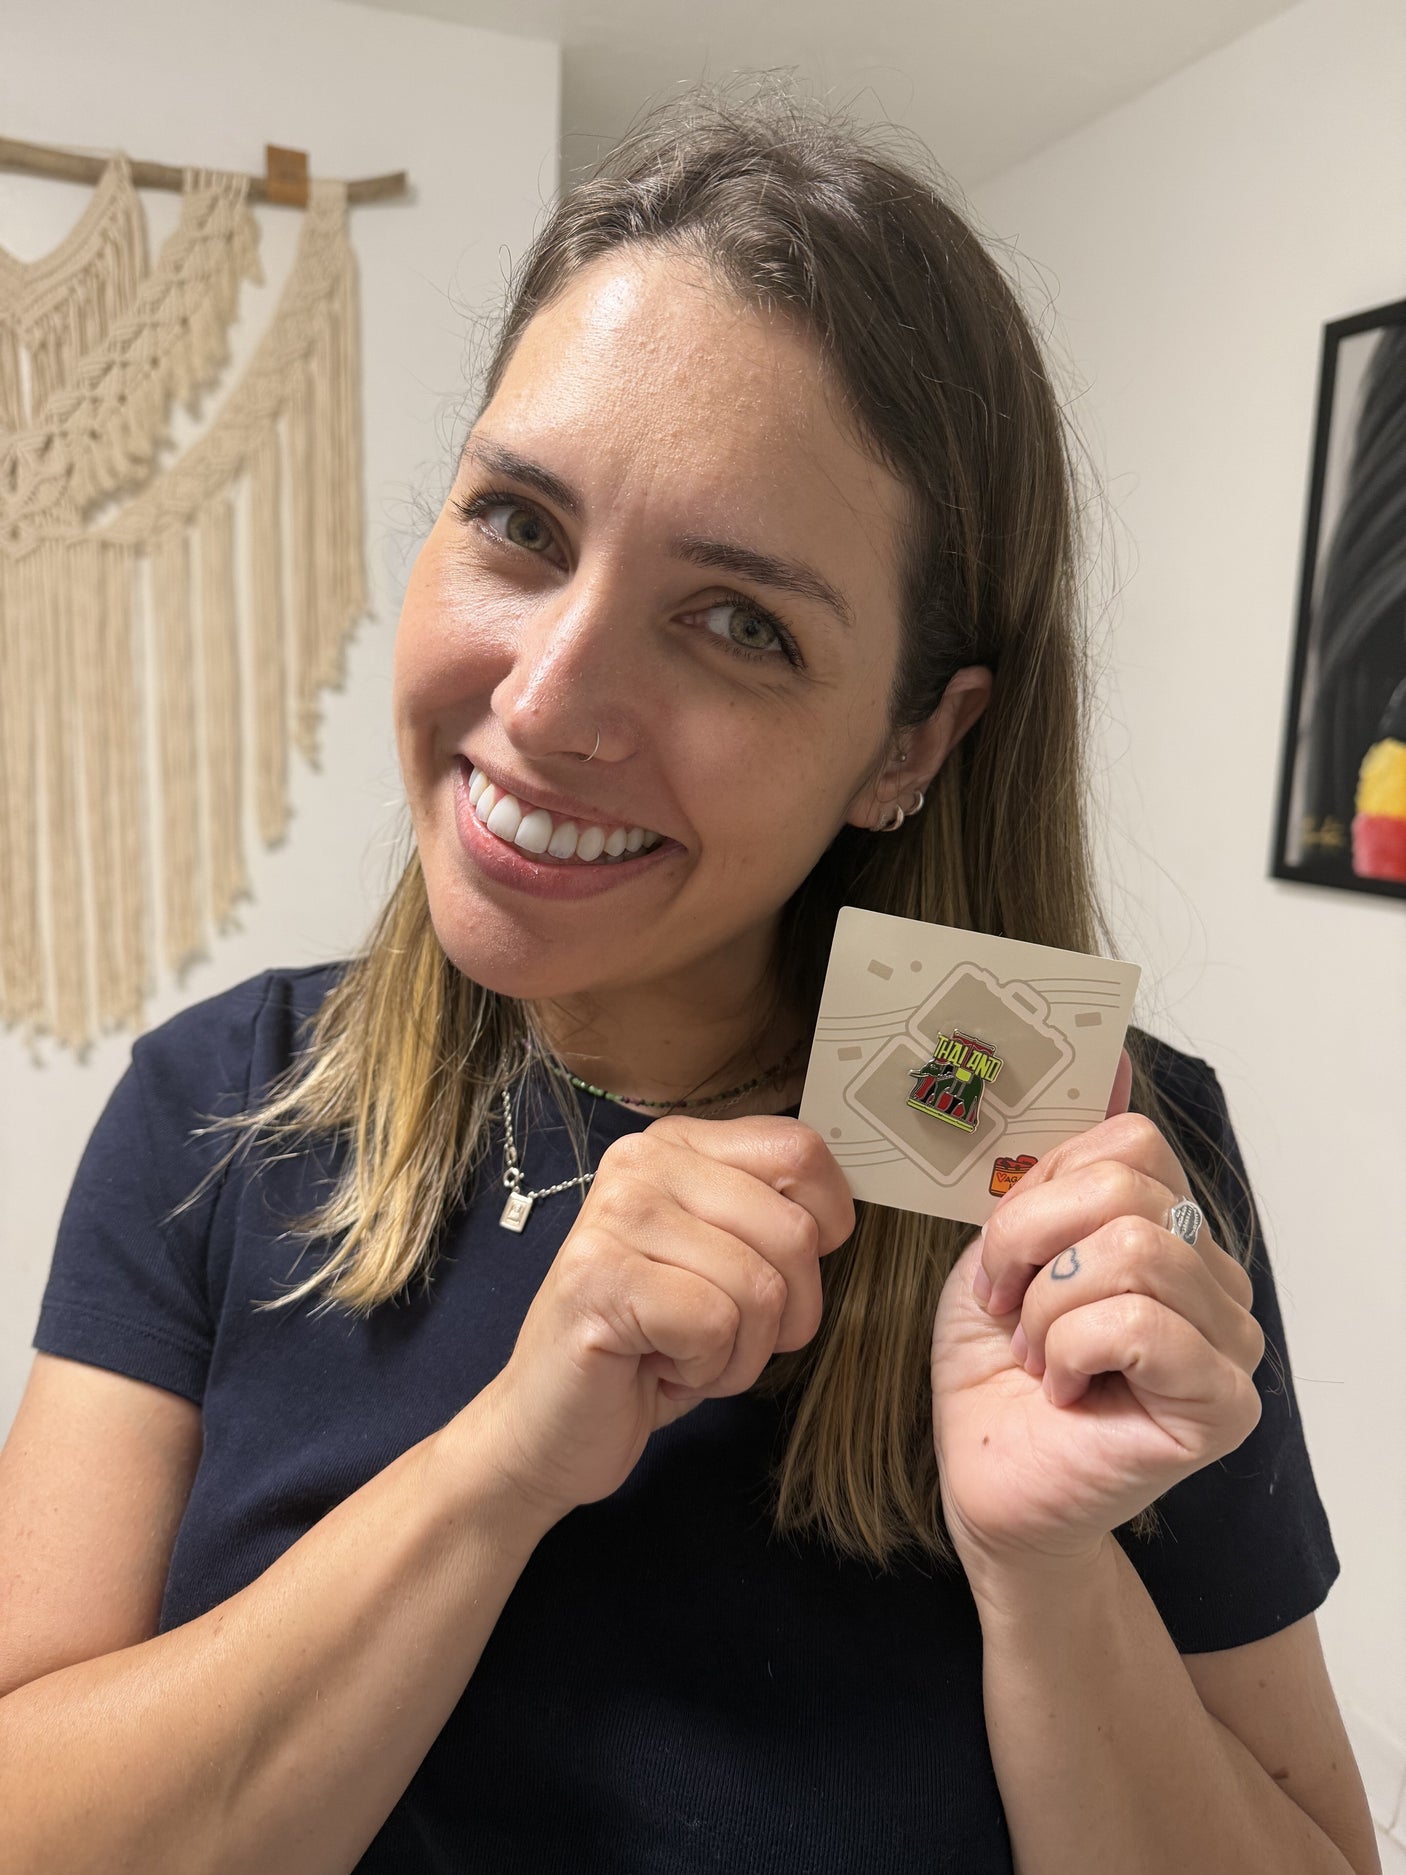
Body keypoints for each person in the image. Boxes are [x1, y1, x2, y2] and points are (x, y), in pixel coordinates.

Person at [2, 86, 1378, 1875]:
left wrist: (1046, 1580)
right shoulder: (222, 1104)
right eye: (518, 523)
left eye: (739, 622)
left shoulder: (1082, 1162)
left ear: (913, 739)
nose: (553, 700)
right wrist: (501, 1466)